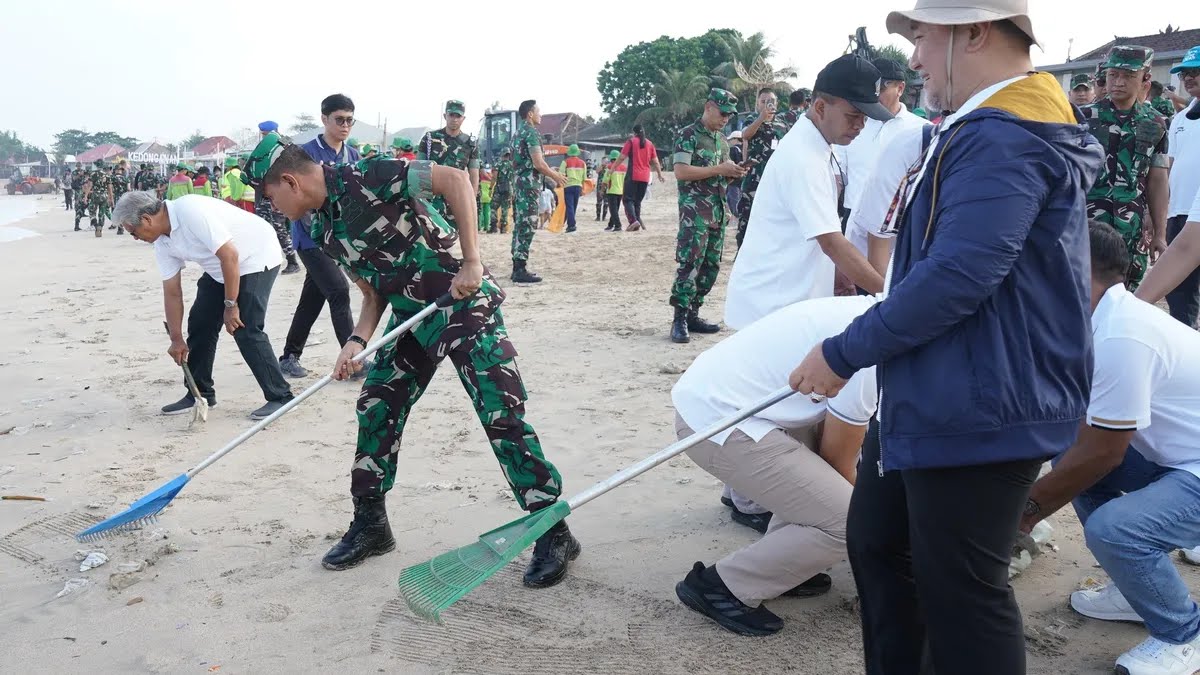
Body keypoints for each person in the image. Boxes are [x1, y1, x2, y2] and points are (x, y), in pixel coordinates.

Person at [786, 2, 1104, 671]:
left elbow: (960, 275)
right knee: (878, 542)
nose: (915, 58)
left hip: (980, 404)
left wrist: (844, 352)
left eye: (924, 36)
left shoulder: (1006, 135)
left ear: (975, 32)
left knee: (962, 591)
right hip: (936, 389)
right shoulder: (983, 127)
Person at [242, 132, 581, 584]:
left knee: (501, 412)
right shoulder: (323, 227)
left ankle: (553, 529)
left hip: (462, 304)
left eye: (269, 196)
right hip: (412, 319)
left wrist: (473, 261)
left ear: (289, 181)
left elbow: (456, 179)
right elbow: (372, 292)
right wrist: (358, 341)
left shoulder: (371, 174)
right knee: (376, 405)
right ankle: (372, 525)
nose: (272, 208)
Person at [1021, 222, 1200, 675]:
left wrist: (1023, 515)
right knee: (1068, 458)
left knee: (1114, 528)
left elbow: (1104, 454)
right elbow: (1074, 431)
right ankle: (1137, 583)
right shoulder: (1102, 320)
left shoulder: (1122, 335)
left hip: (1192, 465)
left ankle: (1183, 633)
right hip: (1178, 457)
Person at [672, 295, 878, 636]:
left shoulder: (879, 312)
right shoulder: (871, 354)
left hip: (744, 402)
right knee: (850, 520)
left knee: (829, 498)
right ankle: (720, 586)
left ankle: (787, 565)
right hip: (716, 420)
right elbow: (838, 463)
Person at [724, 55, 889, 333]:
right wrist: (892, 295)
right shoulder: (803, 157)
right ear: (821, 107)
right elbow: (832, 243)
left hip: (787, 303)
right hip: (771, 310)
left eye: (865, 118)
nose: (860, 125)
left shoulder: (821, 144)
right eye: (854, 116)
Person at [113, 190, 293, 421]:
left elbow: (230, 256)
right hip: (220, 268)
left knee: (244, 326)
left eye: (133, 232)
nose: (135, 238)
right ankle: (200, 393)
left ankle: (281, 397)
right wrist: (176, 339)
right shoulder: (162, 242)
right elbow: (172, 291)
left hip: (255, 256)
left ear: (146, 220)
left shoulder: (190, 211)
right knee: (200, 323)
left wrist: (231, 305)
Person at [276, 93, 361, 380]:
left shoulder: (353, 156)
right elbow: (292, 194)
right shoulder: (304, 154)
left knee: (312, 300)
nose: (345, 125)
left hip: (336, 241)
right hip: (310, 238)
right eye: (339, 120)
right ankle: (354, 362)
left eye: (350, 120)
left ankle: (289, 356)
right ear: (324, 119)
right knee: (338, 291)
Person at [1082, 46, 1171, 290]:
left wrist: (1160, 234)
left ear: (1145, 79)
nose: (1118, 83)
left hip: (1131, 233)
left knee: (1126, 297)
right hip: (1086, 228)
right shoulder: (1082, 118)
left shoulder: (1155, 124)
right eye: (1113, 75)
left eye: (1128, 76)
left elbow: (1158, 180)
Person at [668, 89, 746, 344]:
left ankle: (693, 313)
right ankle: (679, 318)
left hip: (717, 208)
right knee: (690, 263)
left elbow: (718, 174)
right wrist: (718, 169)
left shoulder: (722, 141)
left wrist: (732, 173)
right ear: (709, 107)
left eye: (729, 115)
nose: (725, 118)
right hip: (695, 213)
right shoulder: (688, 135)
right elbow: (681, 171)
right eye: (722, 113)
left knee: (711, 266)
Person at [835, 57, 929, 247]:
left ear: (900, 88)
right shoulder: (852, 127)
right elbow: (837, 179)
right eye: (871, 87)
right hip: (852, 225)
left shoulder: (922, 131)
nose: (875, 93)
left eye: (883, 87)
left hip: (899, 230)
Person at [1151, 47, 1200, 328]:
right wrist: (1158, 212)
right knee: (1179, 292)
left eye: (1196, 72)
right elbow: (1169, 164)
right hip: (1179, 212)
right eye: (1185, 73)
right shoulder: (1180, 119)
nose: (1188, 78)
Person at [511, 99, 568, 283]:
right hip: (528, 185)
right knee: (527, 224)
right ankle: (520, 270)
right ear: (530, 114)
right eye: (538, 111)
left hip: (519, 183)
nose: (540, 114)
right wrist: (555, 176)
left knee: (520, 224)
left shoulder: (517, 133)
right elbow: (539, 163)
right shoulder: (531, 133)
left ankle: (517, 266)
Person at [736, 88, 790, 248]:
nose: (768, 104)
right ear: (758, 104)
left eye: (771, 101)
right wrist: (761, 118)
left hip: (776, 180)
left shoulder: (782, 124)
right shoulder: (752, 119)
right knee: (748, 219)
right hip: (754, 180)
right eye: (764, 101)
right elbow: (745, 135)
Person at [419, 100, 481, 225]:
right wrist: (419, 200)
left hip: (455, 200)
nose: (454, 119)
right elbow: (418, 168)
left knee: (451, 239)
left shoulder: (470, 143)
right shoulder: (430, 138)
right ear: (445, 116)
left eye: (458, 116)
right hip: (431, 199)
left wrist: (471, 201)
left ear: (463, 118)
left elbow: (474, 175)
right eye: (451, 115)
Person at [255, 120, 300, 275]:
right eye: (263, 135)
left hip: (278, 196)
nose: (264, 138)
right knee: (262, 228)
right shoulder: (263, 150)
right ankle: (266, 261)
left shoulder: (285, 147)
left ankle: (292, 261)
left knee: (279, 228)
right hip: (262, 196)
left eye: (266, 135)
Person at [616, 124, 664, 231]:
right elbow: (656, 162)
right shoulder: (650, 144)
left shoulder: (631, 142)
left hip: (633, 175)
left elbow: (621, 157)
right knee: (637, 202)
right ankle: (636, 224)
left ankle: (633, 221)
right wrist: (660, 174)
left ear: (634, 133)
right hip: (645, 177)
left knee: (627, 200)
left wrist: (612, 169)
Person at [557, 144, 586, 232]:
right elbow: (584, 177)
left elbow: (561, 174)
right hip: (578, 186)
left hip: (568, 186)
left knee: (569, 206)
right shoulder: (582, 163)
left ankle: (571, 226)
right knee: (574, 206)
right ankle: (571, 224)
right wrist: (583, 189)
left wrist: (559, 185)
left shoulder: (565, 162)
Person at [89, 159, 114, 237]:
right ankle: (100, 226)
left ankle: (96, 225)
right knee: (101, 213)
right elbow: (110, 188)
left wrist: (86, 196)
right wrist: (111, 199)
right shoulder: (107, 176)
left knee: (92, 211)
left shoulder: (92, 174)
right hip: (104, 196)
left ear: (96, 165)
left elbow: (89, 186)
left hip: (95, 195)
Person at [492, 148, 514, 234]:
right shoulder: (512, 165)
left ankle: (493, 226)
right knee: (505, 208)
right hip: (509, 189)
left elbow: (494, 177)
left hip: (499, 188)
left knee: (493, 207)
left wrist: (491, 188)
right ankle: (503, 228)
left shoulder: (498, 164)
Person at [603, 150, 626, 232]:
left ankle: (618, 225)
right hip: (621, 191)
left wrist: (602, 190)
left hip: (612, 191)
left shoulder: (609, 167)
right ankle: (610, 224)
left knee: (613, 210)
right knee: (615, 209)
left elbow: (605, 180)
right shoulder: (624, 167)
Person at [72, 167, 89, 231]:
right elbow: (84, 188)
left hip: (82, 197)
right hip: (83, 197)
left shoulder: (85, 179)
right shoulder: (85, 180)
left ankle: (76, 226)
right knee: (80, 210)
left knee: (79, 211)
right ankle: (93, 225)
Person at [478, 165, 494, 234]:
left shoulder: (480, 178)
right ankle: (486, 226)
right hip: (488, 198)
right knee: (487, 213)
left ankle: (479, 226)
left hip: (481, 197)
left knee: (480, 212)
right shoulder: (490, 178)